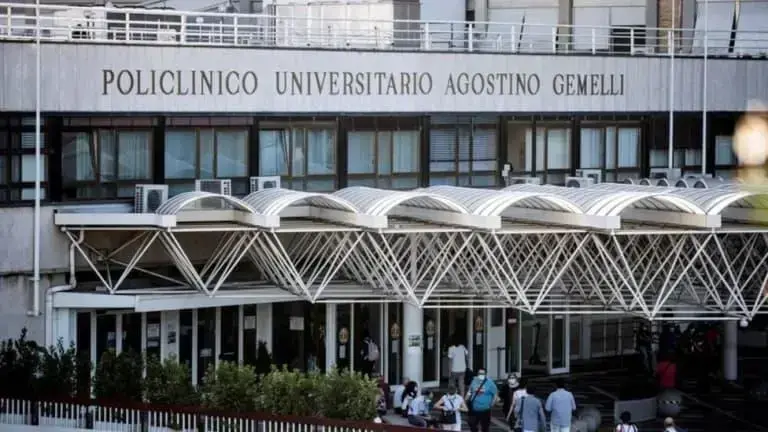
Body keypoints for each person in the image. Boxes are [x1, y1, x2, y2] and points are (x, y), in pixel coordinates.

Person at [465, 367, 497, 432]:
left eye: (483, 373)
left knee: (485, 428)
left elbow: (495, 395)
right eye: (479, 373)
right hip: (474, 409)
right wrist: (464, 402)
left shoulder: (490, 383)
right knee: (472, 426)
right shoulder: (474, 381)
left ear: (486, 374)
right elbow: (469, 392)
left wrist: (492, 404)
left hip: (485, 410)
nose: (481, 375)